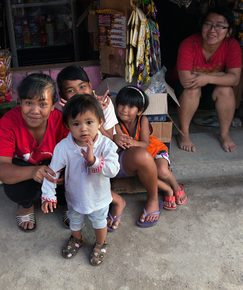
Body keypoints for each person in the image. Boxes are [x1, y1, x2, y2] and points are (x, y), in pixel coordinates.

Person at [57, 65, 161, 230]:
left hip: (107, 161)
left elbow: (111, 145)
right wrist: (67, 114)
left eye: (82, 87)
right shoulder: (59, 112)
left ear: (91, 86)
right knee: (79, 168)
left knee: (142, 156)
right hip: (80, 166)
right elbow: (66, 149)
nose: (78, 93)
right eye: (71, 90)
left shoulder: (104, 105)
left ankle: (153, 198)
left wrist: (97, 116)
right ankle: (116, 201)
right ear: (62, 95)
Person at [41, 94, 120, 266]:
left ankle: (100, 244)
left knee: (99, 222)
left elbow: (113, 170)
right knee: (74, 220)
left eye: (89, 122)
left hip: (99, 197)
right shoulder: (64, 146)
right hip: (74, 196)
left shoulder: (106, 145)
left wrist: (94, 162)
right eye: (76, 124)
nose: (83, 129)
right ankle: (77, 239)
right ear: (68, 126)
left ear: (100, 122)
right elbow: (52, 171)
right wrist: (48, 194)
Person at [0, 73, 70, 233]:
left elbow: (76, 156)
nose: (35, 110)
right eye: (29, 103)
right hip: (27, 173)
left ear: (53, 104)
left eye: (42, 104)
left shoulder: (62, 121)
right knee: (14, 184)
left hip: (54, 173)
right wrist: (34, 171)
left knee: (74, 174)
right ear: (19, 101)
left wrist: (65, 174)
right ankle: (26, 204)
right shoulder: (8, 122)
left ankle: (63, 203)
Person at [172, 5, 242, 153]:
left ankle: (224, 135)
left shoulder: (232, 45)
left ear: (229, 31)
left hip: (209, 91)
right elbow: (186, 80)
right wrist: (221, 75)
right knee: (192, 88)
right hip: (182, 91)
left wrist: (207, 78)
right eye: (208, 24)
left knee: (226, 90)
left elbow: (234, 79)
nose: (212, 30)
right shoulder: (188, 44)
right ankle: (183, 134)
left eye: (220, 26)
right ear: (201, 26)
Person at [114, 86, 188, 209]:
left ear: (139, 111)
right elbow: (120, 140)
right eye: (121, 104)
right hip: (141, 159)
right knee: (145, 174)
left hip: (155, 151)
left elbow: (144, 144)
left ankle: (176, 186)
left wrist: (131, 143)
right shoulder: (116, 124)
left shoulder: (143, 120)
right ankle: (167, 189)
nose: (124, 110)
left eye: (130, 106)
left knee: (162, 172)